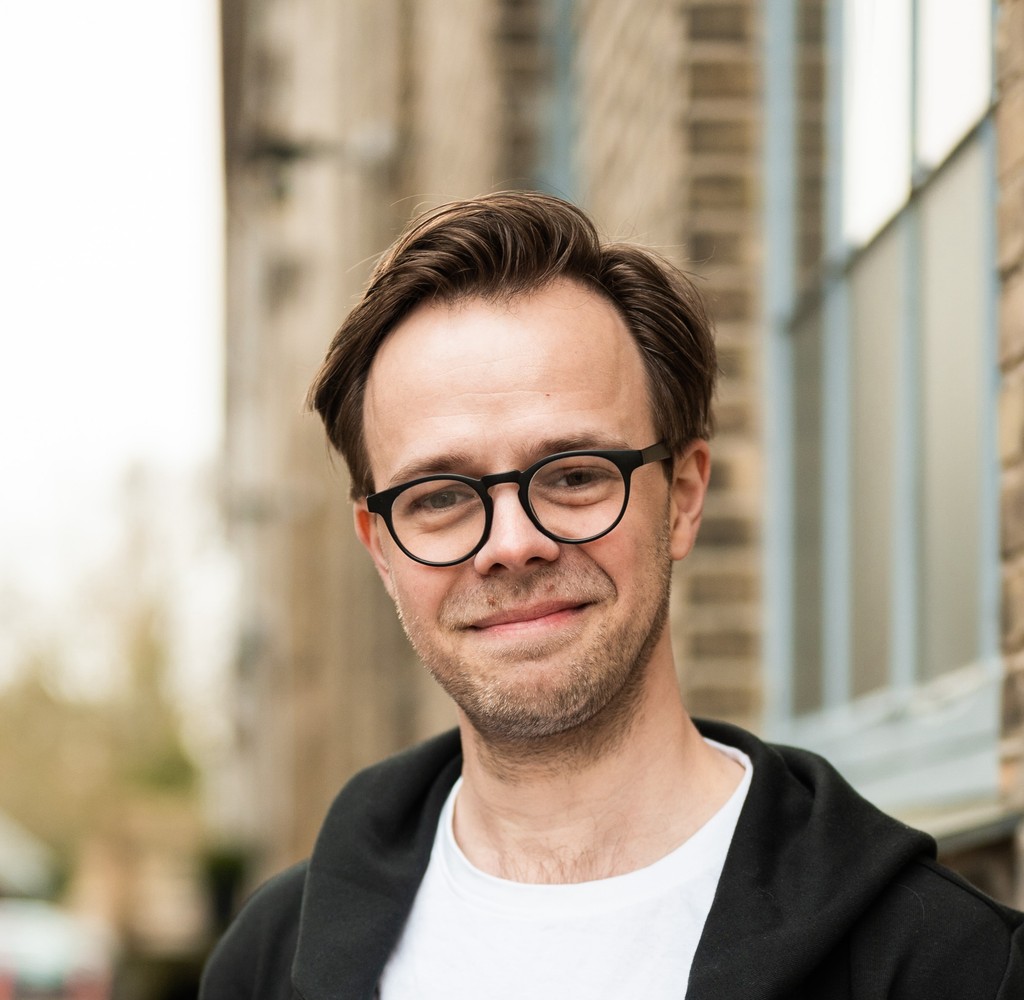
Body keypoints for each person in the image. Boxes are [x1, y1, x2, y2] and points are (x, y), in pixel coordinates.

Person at [200, 191, 1024, 999]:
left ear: (684, 495)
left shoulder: (948, 967)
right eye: (441, 497)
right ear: (380, 547)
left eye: (574, 475)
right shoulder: (268, 963)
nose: (512, 544)